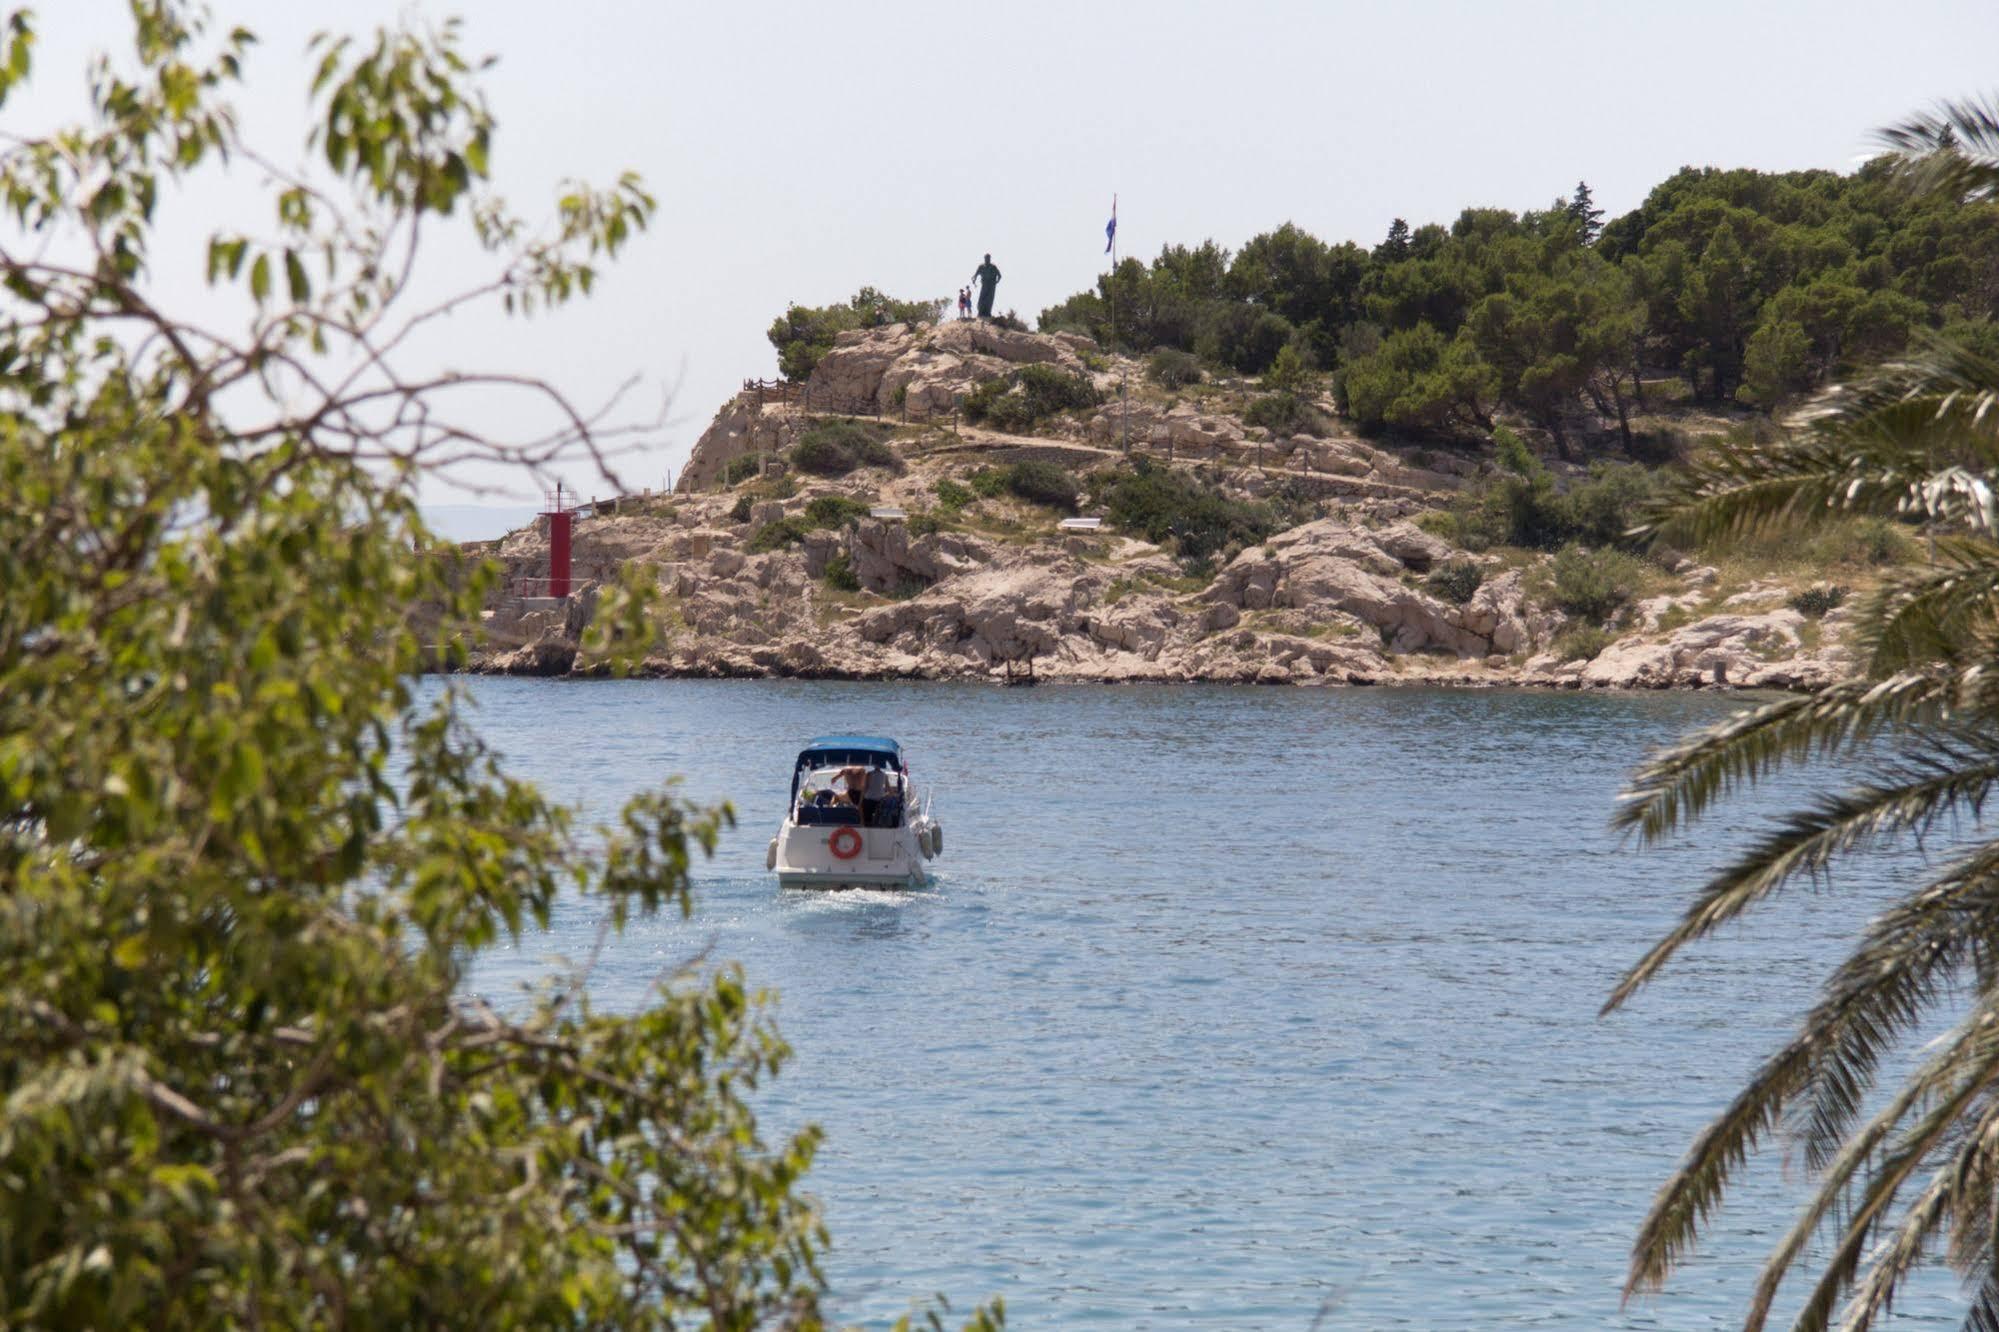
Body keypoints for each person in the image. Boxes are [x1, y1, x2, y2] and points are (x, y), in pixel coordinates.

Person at [971, 253, 1001, 319]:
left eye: (988, 258)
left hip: (991, 285)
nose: (987, 259)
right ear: (984, 259)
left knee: (989, 299)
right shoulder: (981, 267)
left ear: (990, 259)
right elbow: (976, 274)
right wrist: (974, 279)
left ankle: (987, 312)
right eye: (986, 258)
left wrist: (996, 282)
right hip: (984, 284)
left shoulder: (993, 267)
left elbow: (999, 275)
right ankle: (981, 312)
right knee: (982, 298)